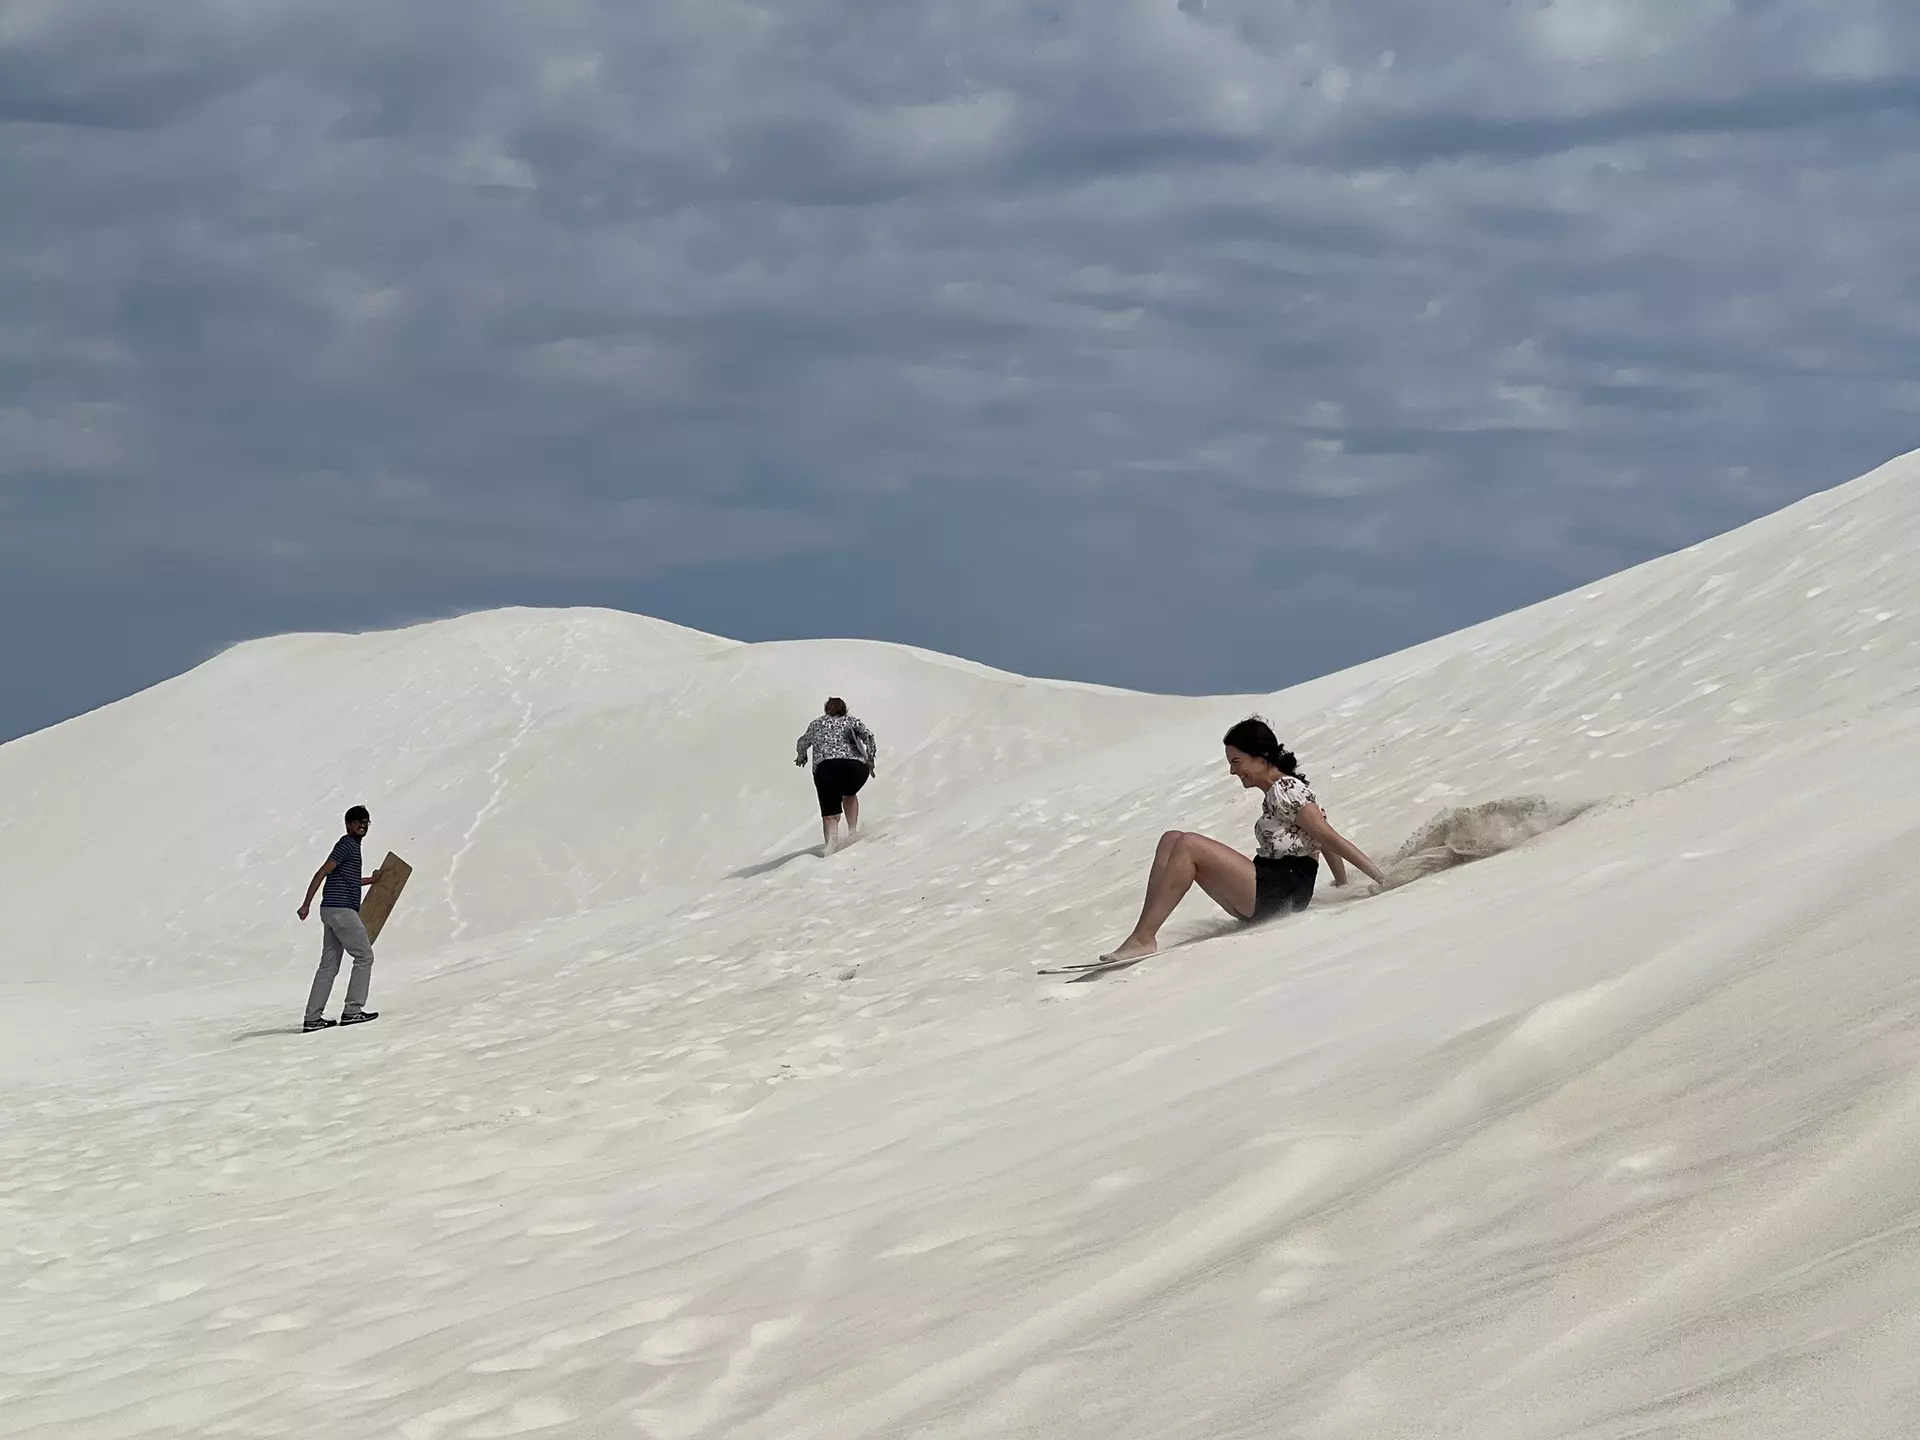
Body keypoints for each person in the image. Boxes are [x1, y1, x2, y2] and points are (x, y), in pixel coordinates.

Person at [1096, 718, 1384, 964]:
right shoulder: (1277, 792)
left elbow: (1327, 836)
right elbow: (1318, 836)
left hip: (1279, 893)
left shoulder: (1288, 790)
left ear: (1260, 757)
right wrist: (1340, 881)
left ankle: (1143, 938)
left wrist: (1381, 879)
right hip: (1266, 891)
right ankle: (1142, 933)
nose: (1233, 771)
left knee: (1188, 844)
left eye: (1237, 761)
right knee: (1171, 839)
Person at [297, 805, 384, 1031]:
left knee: (329, 965)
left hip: (331, 910)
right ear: (348, 825)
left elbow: (347, 880)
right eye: (357, 821)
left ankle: (312, 1018)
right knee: (364, 956)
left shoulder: (352, 847)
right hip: (342, 910)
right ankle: (353, 1010)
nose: (362, 825)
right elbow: (322, 872)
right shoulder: (347, 845)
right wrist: (305, 903)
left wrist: (370, 881)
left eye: (366, 821)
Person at [795, 697, 878, 853]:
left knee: (830, 813)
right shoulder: (852, 721)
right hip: (854, 768)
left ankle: (831, 846)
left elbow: (802, 742)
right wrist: (871, 757)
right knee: (850, 793)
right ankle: (852, 832)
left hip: (825, 769)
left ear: (826, 709)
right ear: (844, 709)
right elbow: (869, 737)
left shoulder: (816, 724)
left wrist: (802, 757)